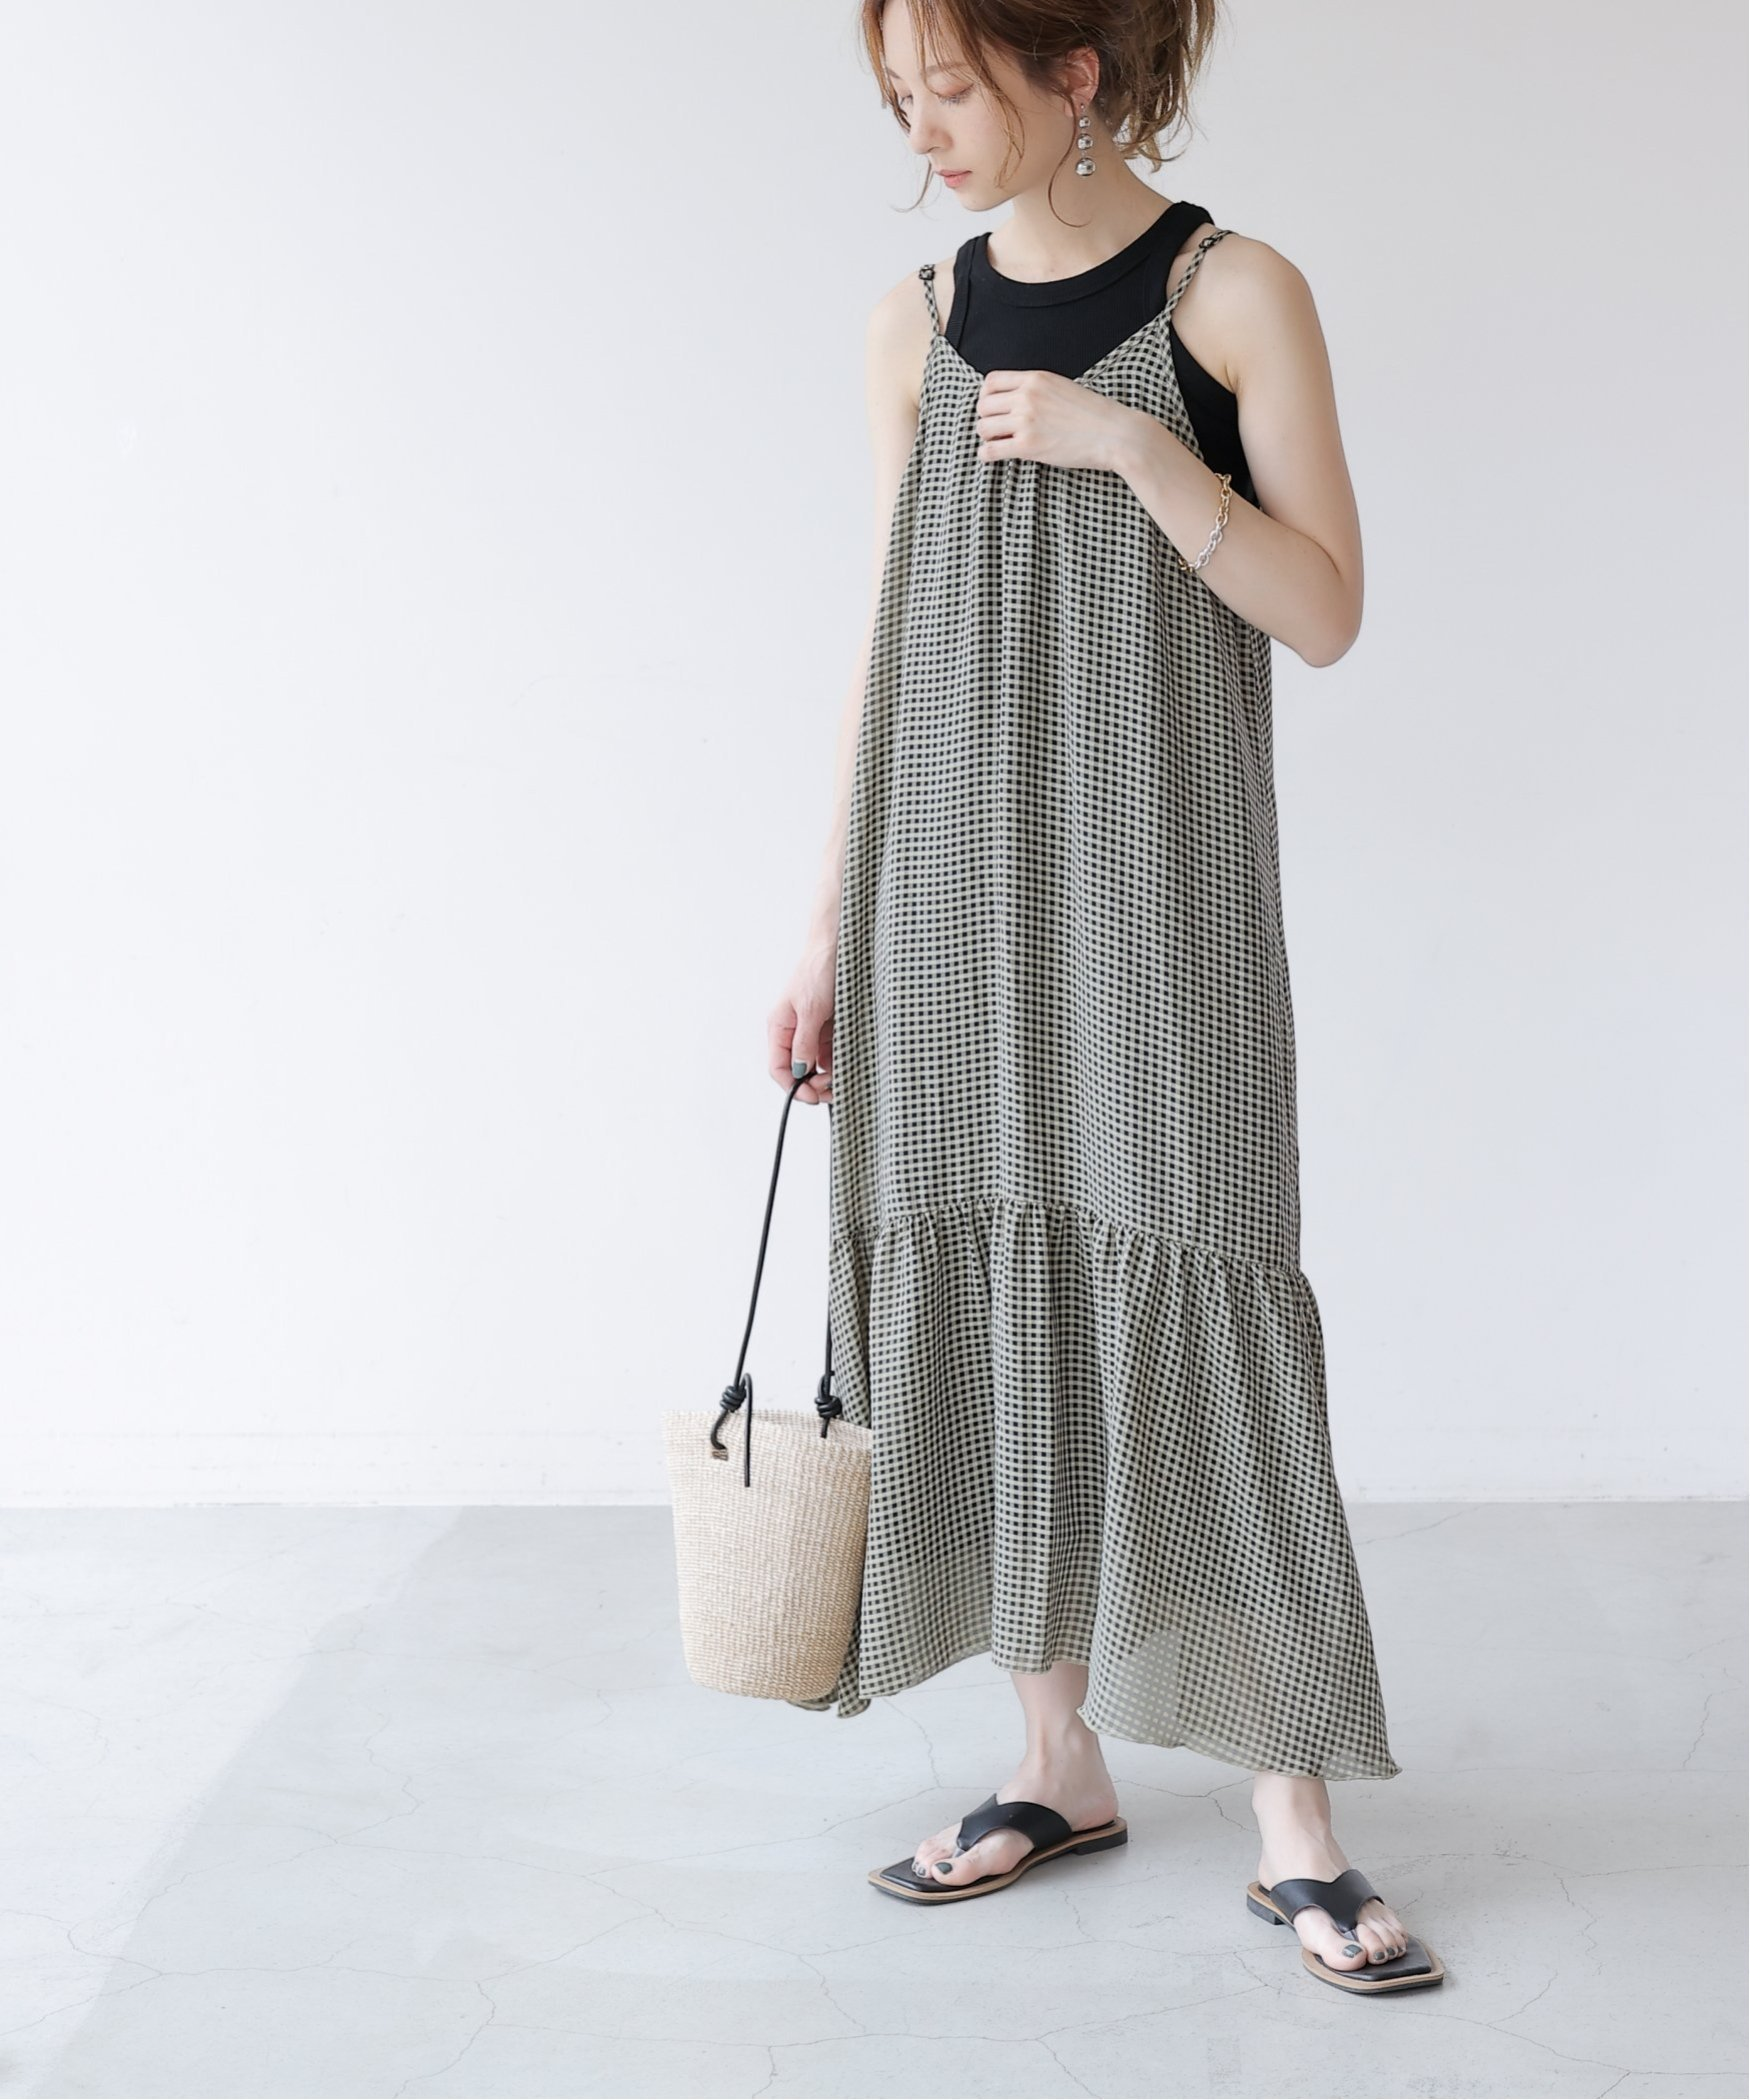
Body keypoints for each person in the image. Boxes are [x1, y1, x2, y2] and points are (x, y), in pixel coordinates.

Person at [766, 0, 1444, 1997]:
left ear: (1073, 71)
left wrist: (1135, 446)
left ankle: (1291, 1821)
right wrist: (826, 927)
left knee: (1199, 1271)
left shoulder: (1230, 295)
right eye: (897, 95)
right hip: (946, 896)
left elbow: (1324, 610)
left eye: (952, 86)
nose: (920, 128)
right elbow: (885, 639)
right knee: (997, 1286)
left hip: (1159, 895)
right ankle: (1051, 1759)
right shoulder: (910, 326)